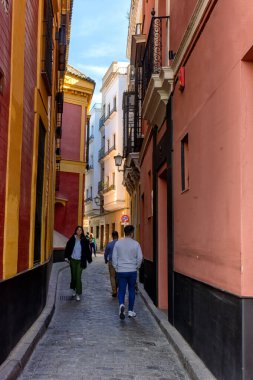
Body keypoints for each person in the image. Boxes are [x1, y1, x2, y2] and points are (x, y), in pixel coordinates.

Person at [112, 225, 143, 319]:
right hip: (132, 270)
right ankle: (130, 311)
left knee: (121, 290)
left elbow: (114, 257)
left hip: (121, 270)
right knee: (131, 290)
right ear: (132, 233)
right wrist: (137, 266)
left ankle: (121, 305)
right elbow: (140, 257)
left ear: (124, 233)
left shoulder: (118, 243)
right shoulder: (136, 244)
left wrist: (116, 267)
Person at [64, 225, 92, 301]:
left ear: (82, 231)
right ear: (76, 231)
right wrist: (66, 257)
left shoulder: (84, 240)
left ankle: (78, 293)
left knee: (78, 277)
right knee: (73, 276)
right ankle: (74, 289)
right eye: (78, 230)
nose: (79, 231)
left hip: (80, 261)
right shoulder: (72, 239)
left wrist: (89, 259)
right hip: (73, 260)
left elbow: (87, 250)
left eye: (80, 230)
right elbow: (68, 247)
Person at [104, 231, 119, 297]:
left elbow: (106, 253)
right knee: (118, 276)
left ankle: (114, 291)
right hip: (119, 262)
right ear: (117, 236)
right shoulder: (120, 244)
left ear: (112, 236)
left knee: (112, 276)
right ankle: (117, 287)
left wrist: (105, 260)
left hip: (111, 261)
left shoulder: (109, 244)